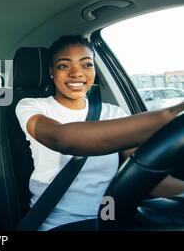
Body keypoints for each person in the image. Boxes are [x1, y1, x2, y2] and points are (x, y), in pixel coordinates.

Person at [16, 35, 184, 231]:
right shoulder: (31, 106)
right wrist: (170, 115)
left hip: (110, 218)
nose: (77, 73)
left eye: (87, 65)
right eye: (64, 66)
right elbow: (62, 139)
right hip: (59, 223)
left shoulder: (113, 113)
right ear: (51, 72)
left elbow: (146, 175)